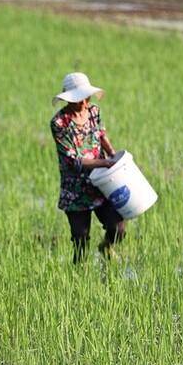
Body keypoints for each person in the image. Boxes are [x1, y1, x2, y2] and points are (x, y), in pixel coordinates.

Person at [50, 72, 126, 263]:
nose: (83, 103)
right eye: (78, 100)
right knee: (80, 243)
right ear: (68, 100)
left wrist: (113, 155)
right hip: (75, 189)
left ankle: (106, 247)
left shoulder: (94, 111)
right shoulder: (59, 123)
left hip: (101, 182)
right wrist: (107, 163)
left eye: (86, 98)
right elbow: (74, 160)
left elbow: (101, 135)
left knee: (118, 228)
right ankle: (78, 284)